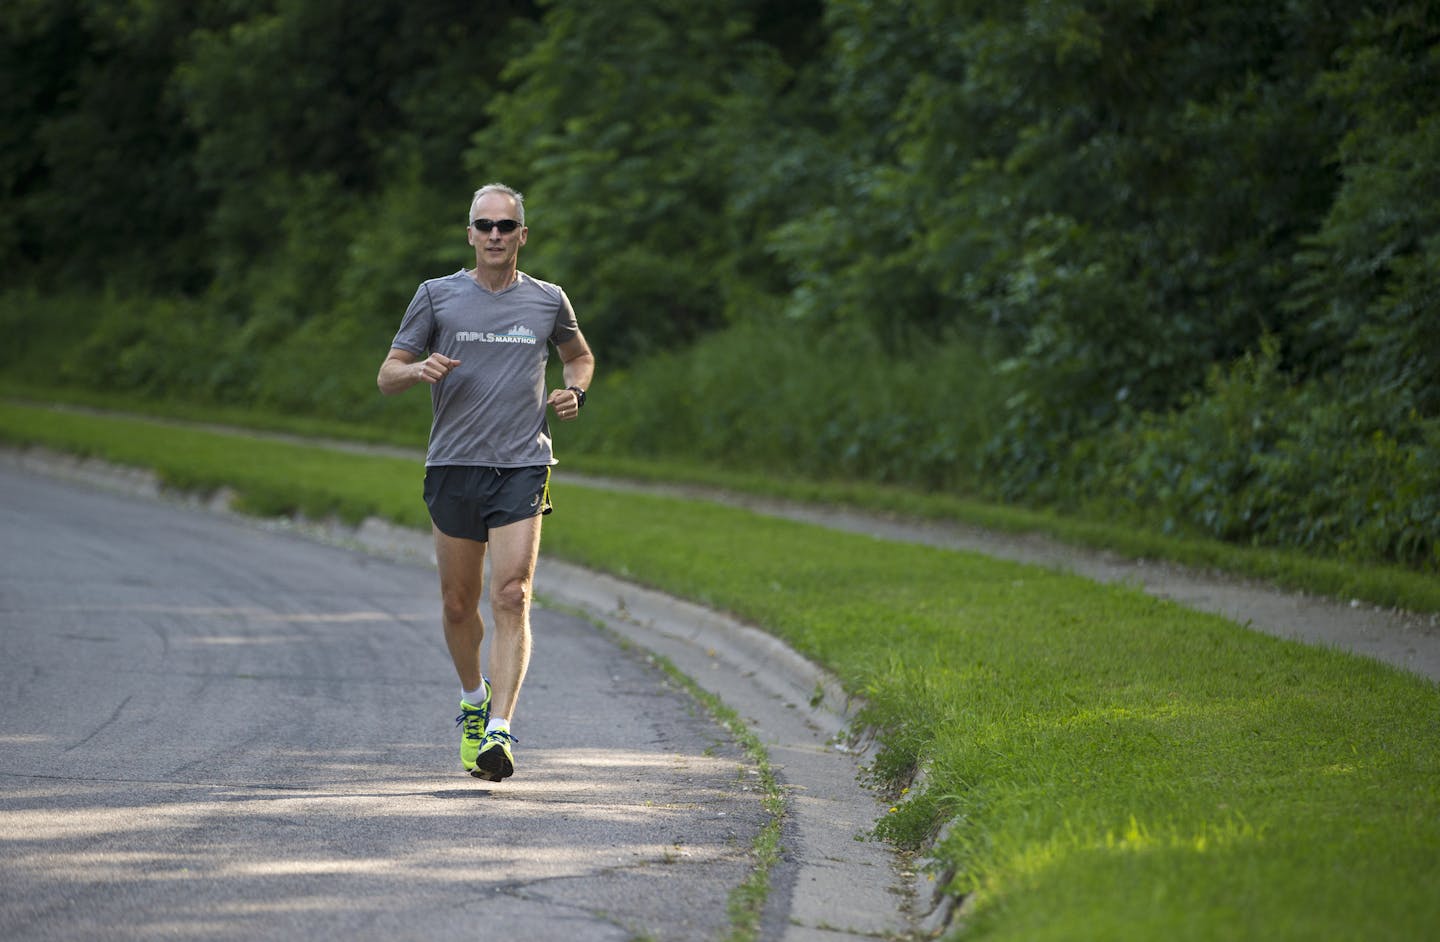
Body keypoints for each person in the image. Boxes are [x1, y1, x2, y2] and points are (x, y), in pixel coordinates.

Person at [376, 182, 594, 782]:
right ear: (470, 233)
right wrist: (418, 368)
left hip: (522, 463)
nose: (496, 235)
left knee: (512, 594)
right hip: (453, 465)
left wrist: (573, 391)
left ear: (523, 235)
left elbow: (580, 356)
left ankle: (499, 729)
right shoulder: (436, 297)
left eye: (507, 226)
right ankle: (473, 700)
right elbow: (386, 376)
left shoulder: (548, 300)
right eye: (485, 225)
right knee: (456, 603)